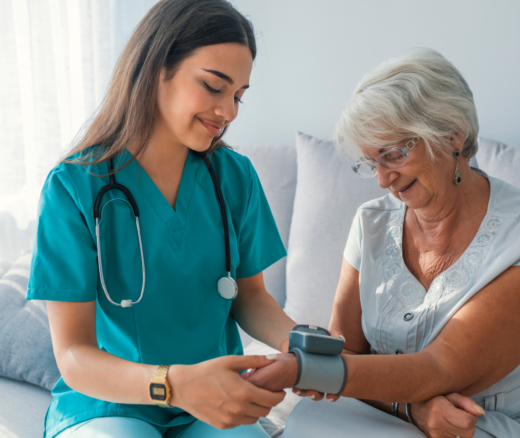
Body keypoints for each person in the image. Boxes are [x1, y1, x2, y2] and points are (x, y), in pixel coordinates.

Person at [26, 1, 298, 437]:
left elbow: (251, 297)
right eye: (214, 86)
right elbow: (73, 353)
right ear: (156, 68)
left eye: (238, 96)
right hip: (109, 402)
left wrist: (300, 343)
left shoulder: (235, 177)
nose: (228, 111)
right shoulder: (74, 186)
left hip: (213, 401)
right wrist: (172, 384)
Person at [243, 48, 520, 437]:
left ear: (452, 133)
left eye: (392, 154)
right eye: (372, 162)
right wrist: (409, 408)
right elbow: (347, 352)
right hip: (384, 415)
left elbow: (440, 369)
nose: (383, 180)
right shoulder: (373, 222)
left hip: (470, 425)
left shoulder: (515, 237)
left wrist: (305, 368)